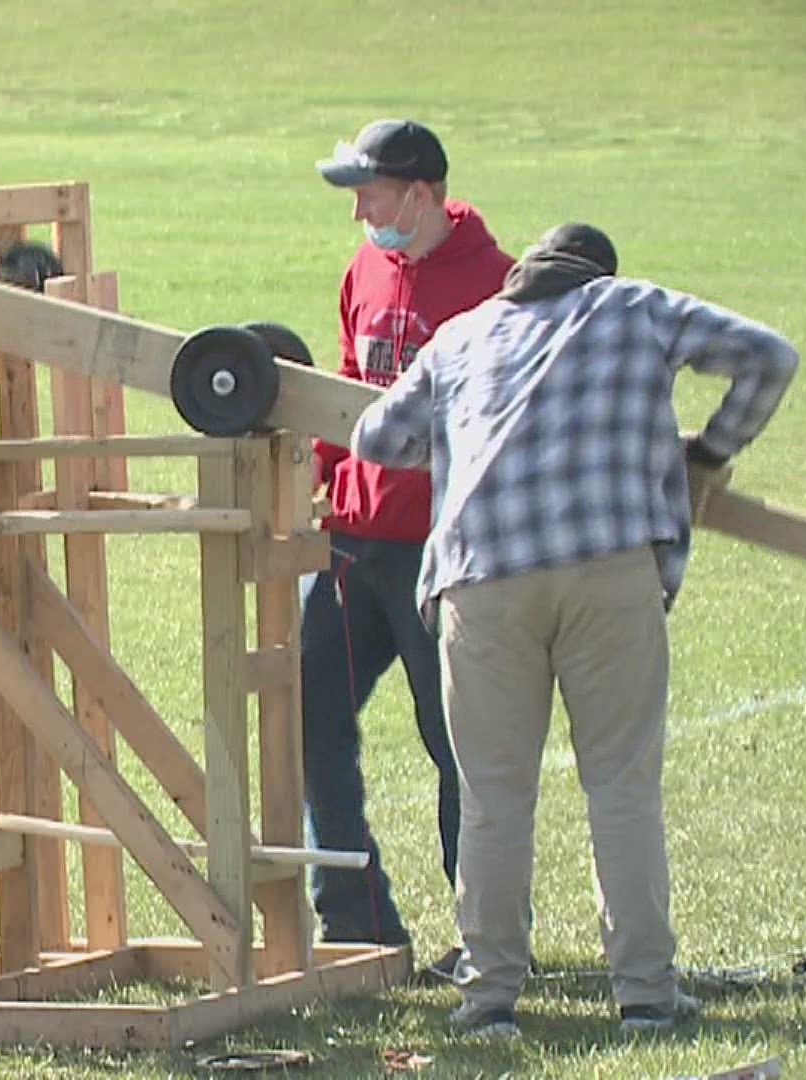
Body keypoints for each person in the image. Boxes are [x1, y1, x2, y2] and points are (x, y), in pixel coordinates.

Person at [349, 223, 798, 1037]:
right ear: (597, 275)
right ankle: (645, 995)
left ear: (523, 275)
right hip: (609, 570)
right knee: (621, 786)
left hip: (480, 579)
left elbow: (378, 437)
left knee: (492, 796)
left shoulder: (463, 333)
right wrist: (712, 449)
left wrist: (463, 444)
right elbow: (771, 357)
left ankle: (489, 997)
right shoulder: (633, 306)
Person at [304, 119, 515, 971]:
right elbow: (348, 384)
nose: (360, 210)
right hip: (354, 540)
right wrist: (320, 473)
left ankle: (484, 938)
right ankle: (356, 921)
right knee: (307, 714)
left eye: (371, 193)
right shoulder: (362, 267)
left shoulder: (498, 285)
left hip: (447, 547)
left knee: (455, 740)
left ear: (421, 194)